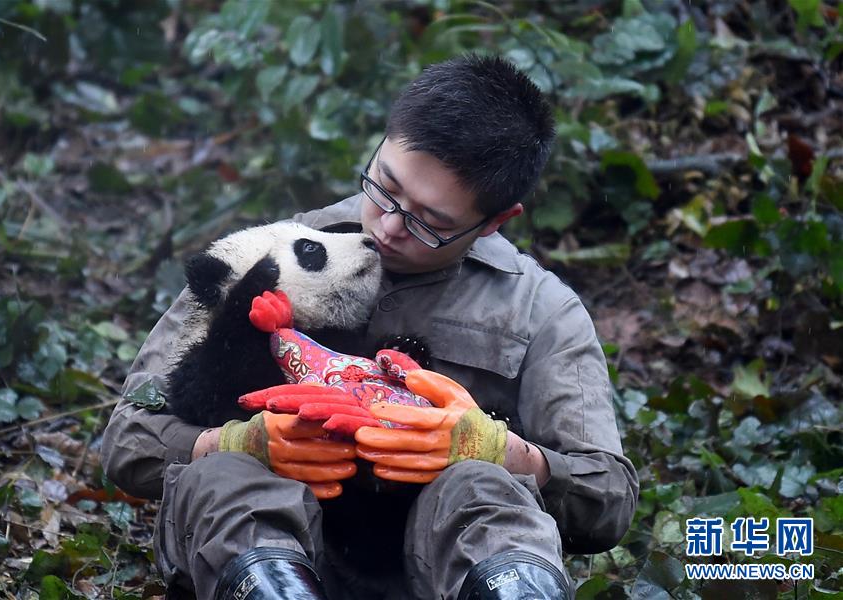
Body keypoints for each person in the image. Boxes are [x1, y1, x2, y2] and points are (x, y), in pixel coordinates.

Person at [101, 54, 638, 600]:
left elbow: (611, 497)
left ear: (497, 220)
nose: (387, 225)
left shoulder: (541, 309)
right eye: (384, 185)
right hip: (261, 548)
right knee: (229, 476)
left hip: (438, 574)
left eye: (431, 222)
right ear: (384, 140)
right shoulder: (270, 251)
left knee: (482, 487)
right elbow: (127, 440)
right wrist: (229, 442)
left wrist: (510, 454)